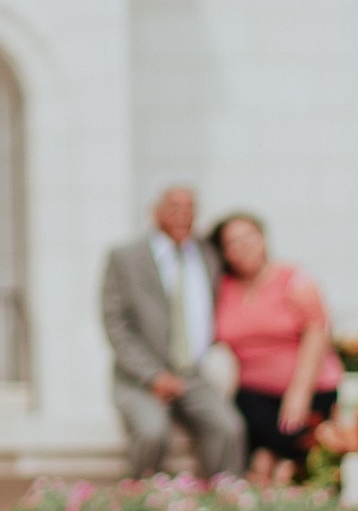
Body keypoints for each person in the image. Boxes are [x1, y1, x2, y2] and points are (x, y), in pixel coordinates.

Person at [100, 186, 245, 479]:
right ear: (155, 211)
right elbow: (116, 325)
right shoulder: (126, 257)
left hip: (192, 374)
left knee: (229, 429)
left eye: (190, 207)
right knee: (153, 433)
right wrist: (153, 375)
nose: (183, 215)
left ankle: (224, 507)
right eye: (174, 207)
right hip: (140, 379)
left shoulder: (207, 255)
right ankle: (141, 503)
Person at [210, 212, 342, 483]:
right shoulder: (221, 288)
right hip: (253, 392)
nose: (243, 246)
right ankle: (270, 466)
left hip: (308, 387)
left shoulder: (293, 279)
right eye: (233, 243)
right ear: (224, 253)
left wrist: (299, 393)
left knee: (285, 446)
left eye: (249, 237)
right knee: (248, 435)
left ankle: (272, 468)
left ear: (263, 239)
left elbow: (317, 330)